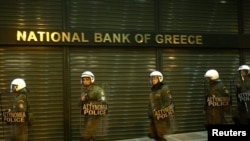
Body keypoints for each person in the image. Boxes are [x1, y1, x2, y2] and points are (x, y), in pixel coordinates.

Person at [79, 71, 107, 141]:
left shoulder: (98, 90)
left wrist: (92, 105)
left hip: (95, 115)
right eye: (83, 79)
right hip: (87, 114)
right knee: (90, 134)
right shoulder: (85, 91)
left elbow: (103, 103)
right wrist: (82, 100)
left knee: (87, 134)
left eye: (87, 79)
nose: (85, 81)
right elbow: (79, 105)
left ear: (92, 79)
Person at [147, 70, 174, 141]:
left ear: (160, 79)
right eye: (152, 78)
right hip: (153, 117)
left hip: (160, 118)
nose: (153, 80)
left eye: (155, 78)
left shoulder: (164, 89)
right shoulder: (153, 90)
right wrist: (150, 114)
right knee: (155, 135)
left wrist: (161, 112)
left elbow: (167, 102)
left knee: (160, 136)